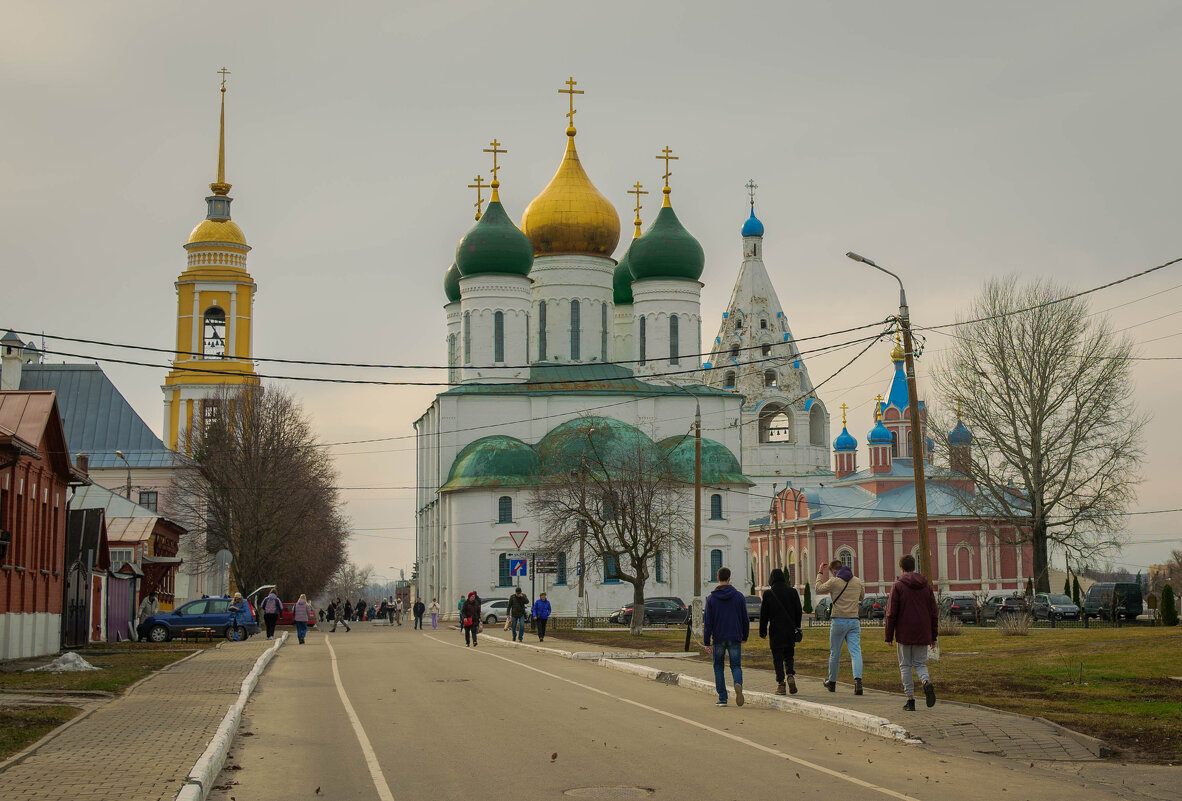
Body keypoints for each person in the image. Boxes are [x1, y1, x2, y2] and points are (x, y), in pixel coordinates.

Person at [885, 554, 939, 710]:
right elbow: (933, 613)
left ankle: (910, 700)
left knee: (905, 666)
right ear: (914, 566)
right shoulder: (926, 586)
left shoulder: (898, 586)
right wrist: (933, 636)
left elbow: (891, 613)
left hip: (904, 632)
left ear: (901, 568)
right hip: (923, 632)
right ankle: (926, 682)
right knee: (920, 664)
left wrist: (889, 635)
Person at [816, 558, 866, 694]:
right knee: (856, 652)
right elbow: (861, 597)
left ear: (833, 571)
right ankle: (858, 682)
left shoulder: (834, 581)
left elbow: (818, 589)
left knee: (835, 653)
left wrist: (820, 572)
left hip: (838, 620)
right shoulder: (857, 581)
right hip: (854, 621)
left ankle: (832, 682)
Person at [703, 566, 750, 707]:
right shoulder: (739, 596)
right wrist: (745, 635)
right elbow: (745, 619)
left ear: (717, 578)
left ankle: (722, 698)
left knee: (718, 667)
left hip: (718, 638)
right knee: (736, 665)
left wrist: (707, 642)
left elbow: (708, 623)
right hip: (735, 636)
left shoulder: (711, 599)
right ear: (729, 579)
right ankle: (737, 683)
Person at [759, 568, 803, 695]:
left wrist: (763, 632)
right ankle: (790, 674)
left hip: (775, 631)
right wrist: (797, 626)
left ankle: (781, 684)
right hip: (790, 631)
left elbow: (764, 615)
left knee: (777, 658)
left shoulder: (768, 594)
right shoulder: (792, 592)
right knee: (789, 655)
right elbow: (798, 610)